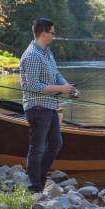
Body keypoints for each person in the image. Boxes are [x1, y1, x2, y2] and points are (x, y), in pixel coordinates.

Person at [20, 18, 78, 192]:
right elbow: (33, 86)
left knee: (56, 143)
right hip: (37, 107)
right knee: (37, 147)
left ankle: (40, 177)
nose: (54, 36)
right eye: (52, 33)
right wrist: (61, 88)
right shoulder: (31, 55)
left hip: (50, 105)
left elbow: (56, 74)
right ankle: (34, 185)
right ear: (44, 33)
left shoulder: (47, 52)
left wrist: (69, 88)